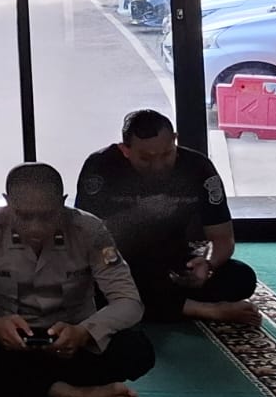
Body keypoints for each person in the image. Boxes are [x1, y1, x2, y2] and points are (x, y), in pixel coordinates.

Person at [0, 162, 155, 397]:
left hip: (70, 344)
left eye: (47, 216)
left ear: (63, 202)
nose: (35, 227)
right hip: (9, 344)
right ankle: (75, 394)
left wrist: (85, 332)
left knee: (138, 350)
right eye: (24, 216)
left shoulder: (90, 231)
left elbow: (129, 301)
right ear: (7, 202)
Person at [75, 109, 259, 325]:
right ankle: (203, 310)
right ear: (125, 150)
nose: (158, 166)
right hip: (120, 258)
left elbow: (223, 238)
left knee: (241, 277)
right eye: (146, 158)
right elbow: (89, 237)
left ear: (175, 139)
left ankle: (160, 304)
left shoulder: (198, 168)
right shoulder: (101, 167)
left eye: (166, 154)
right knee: (95, 286)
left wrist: (208, 264)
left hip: (172, 259)